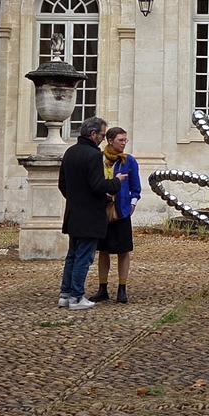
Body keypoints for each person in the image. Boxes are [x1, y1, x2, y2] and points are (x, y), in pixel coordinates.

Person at [57, 115, 115, 310]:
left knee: (73, 255)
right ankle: (76, 296)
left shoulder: (70, 152)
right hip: (89, 215)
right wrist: (116, 183)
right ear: (93, 134)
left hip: (74, 212)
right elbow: (98, 185)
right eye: (102, 134)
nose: (103, 138)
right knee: (84, 257)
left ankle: (65, 294)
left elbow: (62, 184)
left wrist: (76, 199)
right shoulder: (93, 155)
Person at [94, 126, 141, 303]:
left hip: (121, 211)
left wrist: (132, 203)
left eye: (125, 140)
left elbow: (136, 187)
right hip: (101, 210)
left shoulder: (128, 161)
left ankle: (122, 288)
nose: (123, 143)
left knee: (123, 250)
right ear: (110, 140)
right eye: (121, 140)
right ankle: (102, 287)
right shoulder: (99, 159)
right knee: (103, 250)